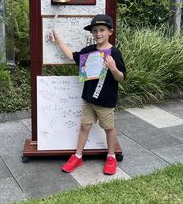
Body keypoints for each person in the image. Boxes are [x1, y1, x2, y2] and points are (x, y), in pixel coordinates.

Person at [49, 14, 126, 175]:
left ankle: (111, 156)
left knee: (108, 128)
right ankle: (78, 156)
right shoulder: (89, 51)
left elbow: (121, 78)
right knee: (85, 126)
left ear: (110, 32)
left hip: (106, 100)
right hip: (88, 98)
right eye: (95, 31)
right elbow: (71, 56)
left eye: (102, 30)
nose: (98, 34)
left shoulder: (114, 53)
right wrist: (57, 40)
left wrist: (113, 68)